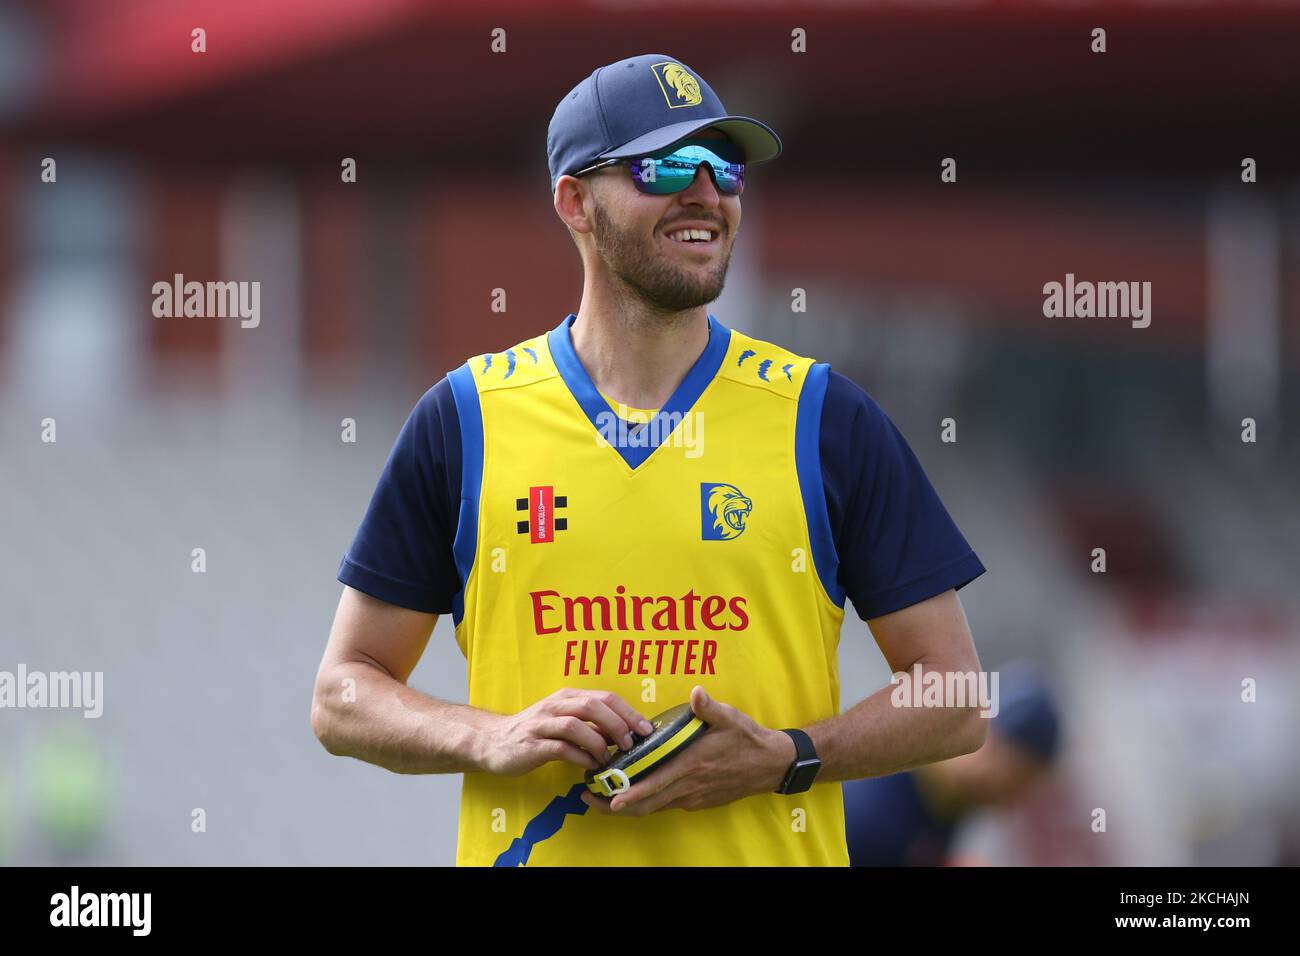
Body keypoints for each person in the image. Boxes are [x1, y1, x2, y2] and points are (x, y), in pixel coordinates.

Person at [312, 53, 988, 866]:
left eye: (724, 167)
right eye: (666, 165)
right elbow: (342, 695)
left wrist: (788, 757)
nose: (705, 193)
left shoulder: (825, 417)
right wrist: (489, 735)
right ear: (575, 202)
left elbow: (956, 698)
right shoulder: (464, 420)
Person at [843, 664, 1062, 866]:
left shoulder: (950, 805)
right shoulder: (874, 797)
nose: (1012, 802)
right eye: (1019, 780)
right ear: (993, 741)